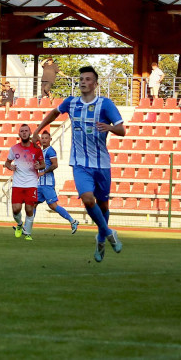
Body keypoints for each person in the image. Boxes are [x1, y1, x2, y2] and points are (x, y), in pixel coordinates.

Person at [35, 66, 126, 263]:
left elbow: (122, 130)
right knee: (87, 199)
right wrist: (38, 129)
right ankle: (108, 233)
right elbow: (54, 113)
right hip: (80, 163)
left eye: (87, 79)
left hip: (101, 164)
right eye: (81, 79)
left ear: (95, 84)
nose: (83, 82)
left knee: (103, 204)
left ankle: (101, 239)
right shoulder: (71, 102)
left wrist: (109, 127)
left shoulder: (105, 104)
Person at [4, 124, 44, 240]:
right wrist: (10, 167)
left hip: (31, 183)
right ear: (19, 134)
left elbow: (43, 164)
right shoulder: (14, 148)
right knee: (16, 209)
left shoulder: (37, 149)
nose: (24, 133)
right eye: (22, 131)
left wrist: (39, 166)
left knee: (29, 209)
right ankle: (20, 224)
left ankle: (28, 233)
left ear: (30, 133)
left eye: (26, 131)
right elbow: (7, 163)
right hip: (17, 183)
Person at [36, 130, 79, 234]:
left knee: (53, 205)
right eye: (42, 138)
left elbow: (55, 165)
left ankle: (72, 221)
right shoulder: (41, 151)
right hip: (40, 183)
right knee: (32, 203)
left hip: (47, 183)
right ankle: (26, 228)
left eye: (46, 138)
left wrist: (44, 172)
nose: (44, 140)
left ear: (50, 139)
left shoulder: (51, 151)